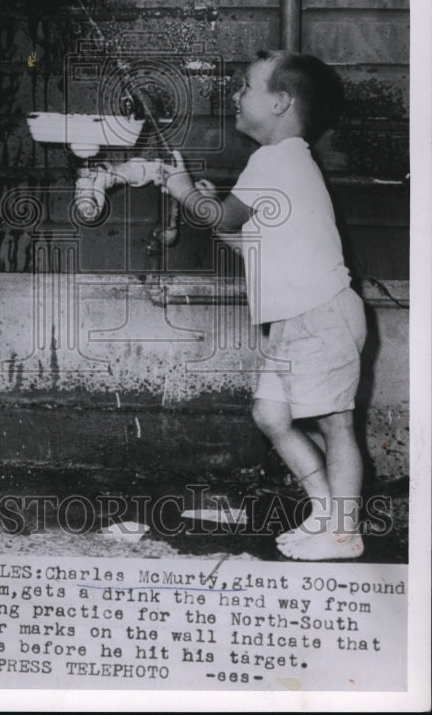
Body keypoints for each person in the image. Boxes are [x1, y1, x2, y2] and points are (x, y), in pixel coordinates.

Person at [162, 50, 367, 560]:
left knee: (335, 422)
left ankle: (345, 532)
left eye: (246, 86)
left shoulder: (275, 159)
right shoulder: (285, 165)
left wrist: (184, 191)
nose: (235, 94)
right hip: (298, 319)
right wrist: (209, 207)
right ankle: (326, 514)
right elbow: (243, 236)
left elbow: (226, 220)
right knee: (272, 416)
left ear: (279, 102)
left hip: (320, 315)